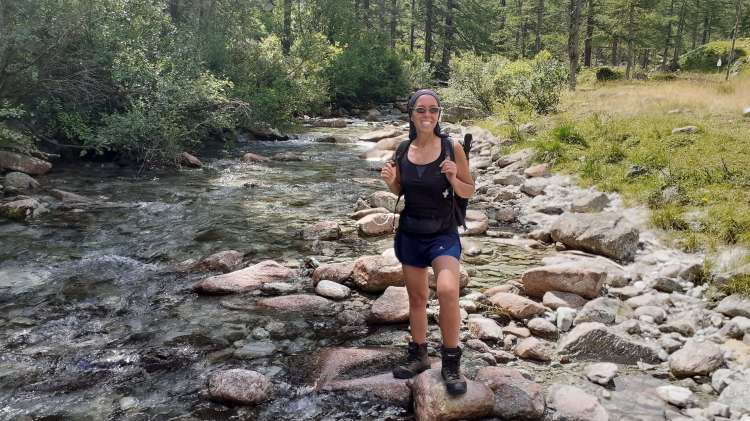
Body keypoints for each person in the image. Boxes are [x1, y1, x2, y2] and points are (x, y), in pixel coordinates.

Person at [380, 89, 475, 395]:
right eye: (421, 110)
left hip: (443, 232)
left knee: (448, 290)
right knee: (418, 298)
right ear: (411, 114)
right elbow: (401, 191)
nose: (427, 115)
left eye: (433, 110)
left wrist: (453, 178)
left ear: (438, 114)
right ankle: (419, 355)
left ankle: (451, 363)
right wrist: (391, 182)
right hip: (411, 233)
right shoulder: (402, 149)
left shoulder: (451, 148)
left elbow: (468, 191)